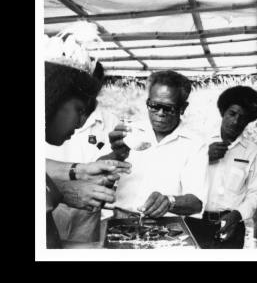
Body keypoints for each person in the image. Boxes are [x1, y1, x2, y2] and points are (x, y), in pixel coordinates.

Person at [44, 60, 131, 248]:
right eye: (79, 109)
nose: (79, 124)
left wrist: (83, 170)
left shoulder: (111, 121)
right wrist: (70, 184)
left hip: (85, 219)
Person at [104, 70, 207, 220]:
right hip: (120, 218)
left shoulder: (195, 145)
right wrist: (116, 155)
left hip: (164, 226)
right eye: (153, 105)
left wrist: (170, 201)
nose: (159, 113)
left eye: (168, 108)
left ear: (183, 108)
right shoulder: (130, 132)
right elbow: (97, 172)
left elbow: (196, 202)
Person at [186, 86, 257, 249]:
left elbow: (256, 193)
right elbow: (180, 176)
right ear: (223, 113)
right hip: (195, 222)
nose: (236, 121)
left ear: (248, 121)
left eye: (242, 117)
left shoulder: (252, 151)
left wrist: (237, 215)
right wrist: (204, 158)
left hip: (232, 226)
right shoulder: (200, 143)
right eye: (232, 113)